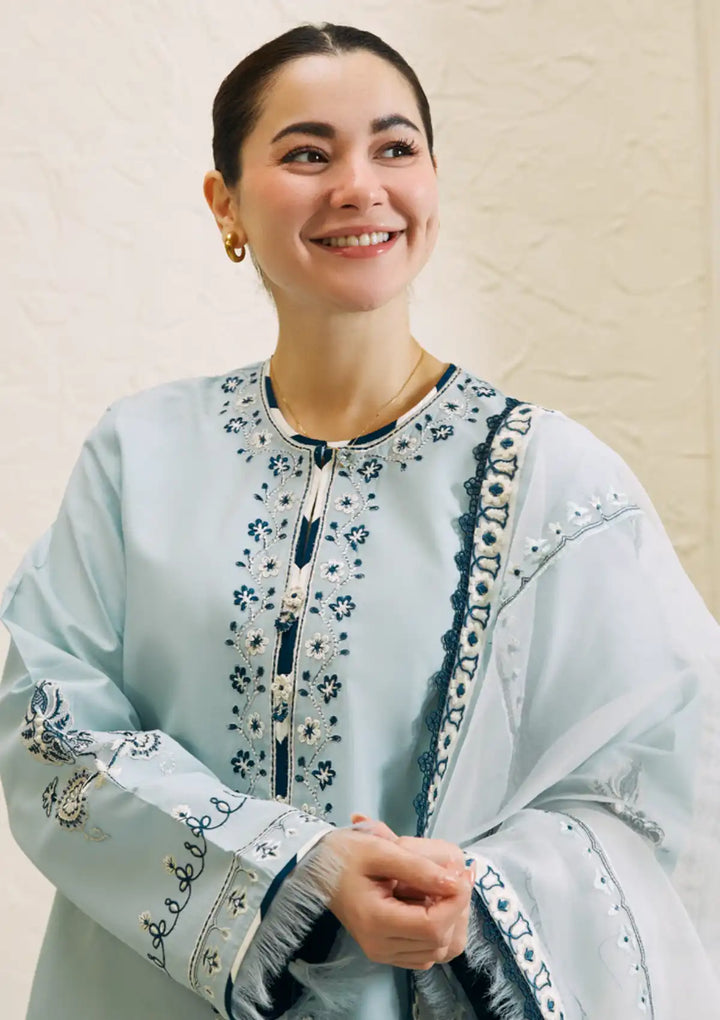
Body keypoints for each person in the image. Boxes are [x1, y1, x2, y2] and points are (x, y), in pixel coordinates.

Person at [1, 20, 718, 1020]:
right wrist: (296, 866)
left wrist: (481, 898)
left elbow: (658, 785)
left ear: (433, 180)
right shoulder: (140, 456)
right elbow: (46, 726)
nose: (358, 186)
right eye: (307, 153)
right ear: (225, 203)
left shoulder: (551, 479)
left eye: (394, 147)